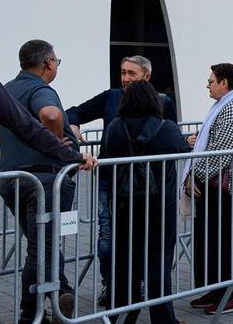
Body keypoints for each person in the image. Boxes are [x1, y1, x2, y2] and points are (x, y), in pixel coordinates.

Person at [0, 48, 93, 324]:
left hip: (11, 179)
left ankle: (59, 290)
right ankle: (31, 317)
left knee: (41, 244)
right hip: (43, 179)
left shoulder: (7, 88)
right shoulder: (41, 89)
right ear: (48, 63)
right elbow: (49, 114)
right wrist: (64, 149)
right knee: (43, 247)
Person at [67, 54, 177, 303]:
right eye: (123, 72)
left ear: (146, 76)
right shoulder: (111, 97)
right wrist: (72, 125)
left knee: (144, 237)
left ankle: (138, 286)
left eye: (131, 73)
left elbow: (170, 137)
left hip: (150, 185)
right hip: (111, 180)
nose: (125, 78)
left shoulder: (162, 102)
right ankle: (113, 286)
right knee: (108, 236)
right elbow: (74, 112)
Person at [100, 81, 190, 324]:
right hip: (159, 204)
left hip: (123, 203)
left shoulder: (115, 128)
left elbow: (106, 160)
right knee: (158, 258)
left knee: (124, 258)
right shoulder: (166, 128)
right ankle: (162, 320)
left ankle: (120, 318)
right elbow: (182, 150)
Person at [183, 63, 233, 316]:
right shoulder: (224, 105)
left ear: (224, 83)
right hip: (216, 184)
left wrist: (192, 176)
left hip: (223, 186)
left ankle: (231, 295)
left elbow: (218, 154)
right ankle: (216, 289)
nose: (208, 85)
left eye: (211, 81)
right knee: (212, 239)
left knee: (224, 240)